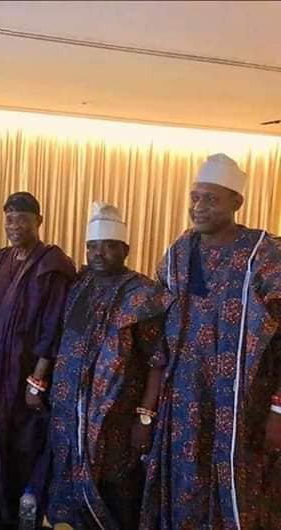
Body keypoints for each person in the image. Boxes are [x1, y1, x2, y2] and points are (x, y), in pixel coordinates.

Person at [141, 153, 281, 529]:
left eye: (211, 199)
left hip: (245, 405)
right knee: (185, 487)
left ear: (237, 202)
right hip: (184, 400)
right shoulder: (178, 253)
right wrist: (147, 408)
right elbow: (157, 330)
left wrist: (278, 410)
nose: (199, 206)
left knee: (241, 494)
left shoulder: (264, 254)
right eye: (195, 197)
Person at [0, 191, 75, 529]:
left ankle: (15, 517)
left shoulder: (52, 265)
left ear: (39, 221)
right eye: (9, 219)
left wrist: (37, 380)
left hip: (22, 377)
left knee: (17, 444)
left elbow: (54, 326)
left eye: (22, 219)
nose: (14, 225)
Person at [47, 202, 171, 530]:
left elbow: (157, 361)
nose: (98, 254)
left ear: (126, 249)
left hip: (115, 419)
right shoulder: (79, 286)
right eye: (92, 246)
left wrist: (145, 416)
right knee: (66, 487)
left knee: (115, 490)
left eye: (109, 246)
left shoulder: (144, 295)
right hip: (68, 414)